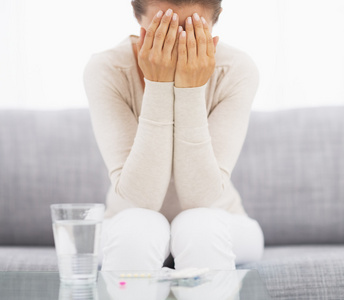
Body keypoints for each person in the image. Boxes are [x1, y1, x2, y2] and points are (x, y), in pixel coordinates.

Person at [83, 0, 264, 272]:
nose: (177, 46)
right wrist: (159, 84)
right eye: (162, 32)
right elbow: (142, 201)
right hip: (126, 219)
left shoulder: (236, 69)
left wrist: (191, 89)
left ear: (216, 21)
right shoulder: (107, 69)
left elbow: (199, 200)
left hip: (220, 218)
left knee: (197, 227)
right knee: (137, 229)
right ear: (137, 16)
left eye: (191, 31)